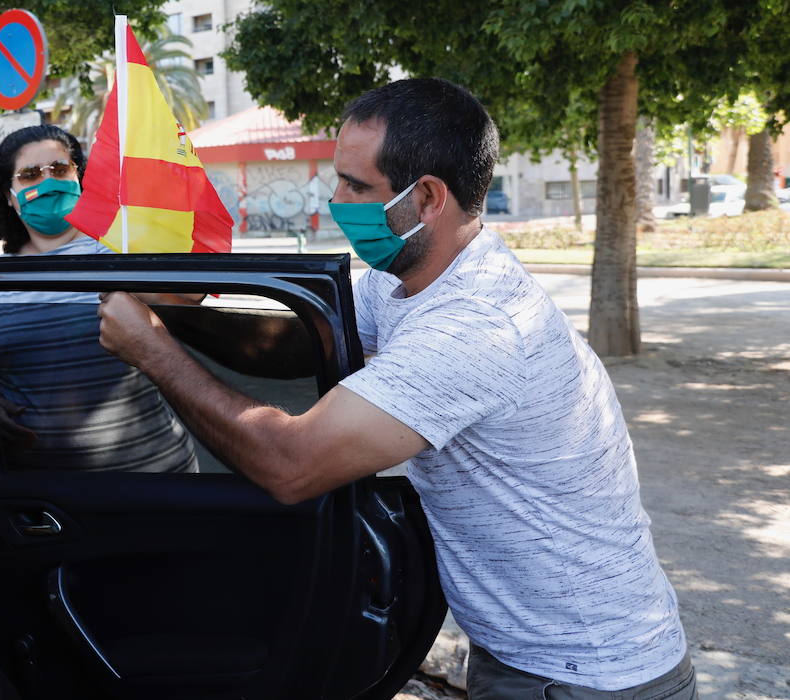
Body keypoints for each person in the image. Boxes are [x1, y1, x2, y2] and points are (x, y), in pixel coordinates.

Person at [97, 79, 694, 697]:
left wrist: (153, 351)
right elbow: (306, 341)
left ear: (429, 197)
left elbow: (290, 464)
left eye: (357, 186)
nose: (336, 200)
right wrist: (175, 313)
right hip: (530, 660)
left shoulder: (474, 325)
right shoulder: (405, 278)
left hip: (587, 676)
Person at [0, 123, 198, 473]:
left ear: (80, 177)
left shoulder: (122, 253)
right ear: (9, 196)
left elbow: (191, 300)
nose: (48, 182)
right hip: (49, 501)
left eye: (59, 169)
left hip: (160, 476)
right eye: (30, 175)